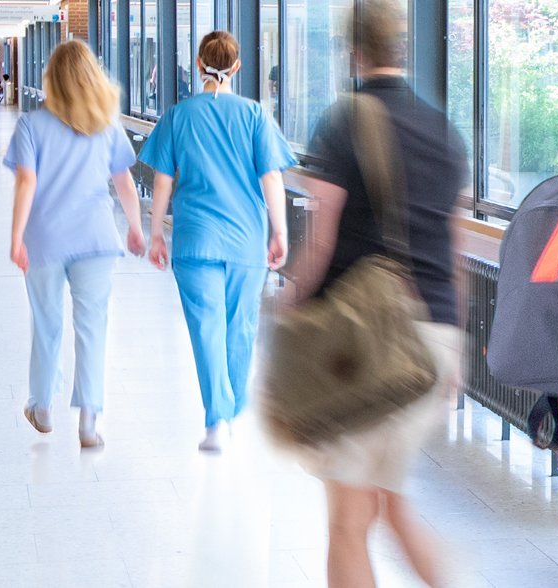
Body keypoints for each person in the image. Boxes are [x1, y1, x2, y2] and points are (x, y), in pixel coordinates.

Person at [283, 1, 468, 585]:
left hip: (366, 343)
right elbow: (454, 248)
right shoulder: (444, 130)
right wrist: (453, 351)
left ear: (354, 52)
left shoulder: (344, 120)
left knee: (348, 518)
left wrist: (291, 307)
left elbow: (321, 239)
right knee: (388, 501)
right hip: (434, 340)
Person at [139, 30, 295, 453]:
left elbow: (163, 179)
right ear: (238, 66)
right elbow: (272, 177)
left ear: (198, 64)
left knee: (206, 327)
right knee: (240, 327)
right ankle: (229, 407)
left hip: (194, 242)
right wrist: (280, 232)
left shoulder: (178, 116)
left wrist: (156, 234)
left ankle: (217, 418)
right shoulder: (255, 115)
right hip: (246, 242)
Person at [6, 40, 146, 449]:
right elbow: (124, 183)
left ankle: (43, 405)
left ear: (52, 78)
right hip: (97, 238)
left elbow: (26, 182)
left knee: (47, 324)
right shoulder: (106, 123)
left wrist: (16, 236)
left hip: (44, 239)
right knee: (92, 328)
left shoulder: (32, 125)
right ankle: (89, 422)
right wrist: (135, 227)